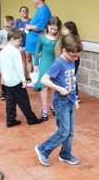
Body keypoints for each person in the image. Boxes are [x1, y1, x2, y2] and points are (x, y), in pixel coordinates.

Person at [35, 34, 83, 166]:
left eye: (78, 55)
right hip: (60, 102)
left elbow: (71, 82)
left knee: (70, 132)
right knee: (63, 132)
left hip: (70, 100)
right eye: (73, 55)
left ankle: (65, 154)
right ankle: (42, 149)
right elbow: (44, 79)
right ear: (64, 51)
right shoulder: (58, 63)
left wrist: (75, 99)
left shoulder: (71, 61)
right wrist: (58, 88)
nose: (76, 58)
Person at [0, 28, 42, 127]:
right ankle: (31, 119)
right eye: (19, 41)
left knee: (10, 101)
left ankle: (10, 120)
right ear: (12, 39)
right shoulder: (15, 51)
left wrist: (4, 78)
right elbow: (19, 68)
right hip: (16, 81)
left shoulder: (3, 51)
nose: (20, 43)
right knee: (24, 101)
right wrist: (24, 81)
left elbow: (2, 66)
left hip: (7, 81)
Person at [34, 16, 62, 121]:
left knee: (54, 87)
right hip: (44, 65)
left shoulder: (59, 38)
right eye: (52, 29)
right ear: (47, 26)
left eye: (56, 29)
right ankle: (44, 109)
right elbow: (37, 50)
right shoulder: (42, 37)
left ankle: (53, 105)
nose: (53, 31)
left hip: (56, 64)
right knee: (44, 87)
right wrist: (36, 64)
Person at [25, 0, 51, 78]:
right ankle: (36, 82)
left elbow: (41, 26)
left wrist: (29, 27)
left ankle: (40, 83)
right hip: (34, 45)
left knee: (39, 65)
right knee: (36, 65)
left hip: (38, 44)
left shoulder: (44, 10)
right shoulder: (40, 9)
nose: (32, 0)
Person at [0, 15, 14, 100]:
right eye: (5, 22)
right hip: (4, 56)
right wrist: (7, 47)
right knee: (4, 75)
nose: (6, 24)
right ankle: (3, 92)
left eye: (8, 23)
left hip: (12, 56)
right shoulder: (1, 32)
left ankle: (10, 91)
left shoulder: (14, 32)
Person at [62, 21, 81, 103]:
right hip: (66, 59)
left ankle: (75, 95)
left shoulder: (75, 39)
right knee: (67, 76)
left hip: (74, 59)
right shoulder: (64, 38)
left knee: (72, 76)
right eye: (63, 29)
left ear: (71, 30)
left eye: (65, 29)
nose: (64, 31)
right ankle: (69, 93)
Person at [14, 6, 31, 81]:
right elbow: (14, 31)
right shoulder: (17, 21)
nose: (24, 12)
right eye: (22, 11)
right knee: (23, 60)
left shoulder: (31, 20)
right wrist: (18, 30)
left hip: (29, 43)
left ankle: (30, 77)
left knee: (29, 59)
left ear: (28, 12)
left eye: (25, 10)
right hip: (20, 43)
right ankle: (24, 77)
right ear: (20, 12)